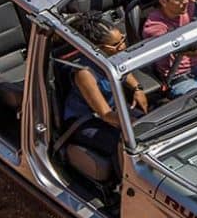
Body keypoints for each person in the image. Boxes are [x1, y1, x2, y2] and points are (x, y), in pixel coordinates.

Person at [62, 17, 148, 156]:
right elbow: (105, 114)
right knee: (123, 146)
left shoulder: (115, 56)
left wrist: (137, 88)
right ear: (99, 48)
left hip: (115, 110)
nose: (123, 47)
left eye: (123, 40)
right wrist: (133, 125)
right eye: (116, 45)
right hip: (88, 120)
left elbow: (125, 74)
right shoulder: (85, 73)